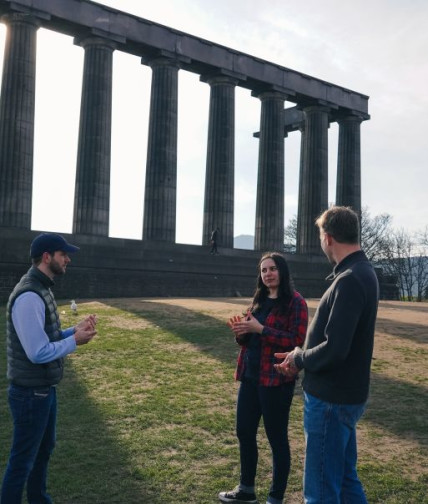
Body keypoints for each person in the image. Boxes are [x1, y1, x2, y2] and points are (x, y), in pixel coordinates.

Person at [275, 206, 379, 503]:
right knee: (345, 481)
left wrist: (299, 358)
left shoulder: (350, 279)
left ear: (328, 237)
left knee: (320, 491)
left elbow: (335, 348)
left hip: (332, 399)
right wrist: (301, 353)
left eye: (321, 235)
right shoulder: (362, 272)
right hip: (344, 396)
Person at [1, 232, 98, 504]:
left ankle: (38, 500)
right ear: (47, 257)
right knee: (22, 461)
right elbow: (37, 352)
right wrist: (75, 341)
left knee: (42, 453)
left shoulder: (41, 288)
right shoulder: (30, 295)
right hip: (31, 395)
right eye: (62, 254)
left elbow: (47, 337)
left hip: (43, 392)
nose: (68, 259)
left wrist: (73, 330)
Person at [219, 252, 308, 504]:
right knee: (244, 432)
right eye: (263, 270)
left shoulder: (296, 302)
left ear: (282, 271)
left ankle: (275, 498)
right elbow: (249, 340)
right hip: (250, 376)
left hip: (276, 381)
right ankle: (246, 489)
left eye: (272, 269)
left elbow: (296, 342)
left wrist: (261, 329)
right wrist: (242, 332)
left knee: (276, 438)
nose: (267, 274)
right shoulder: (258, 300)